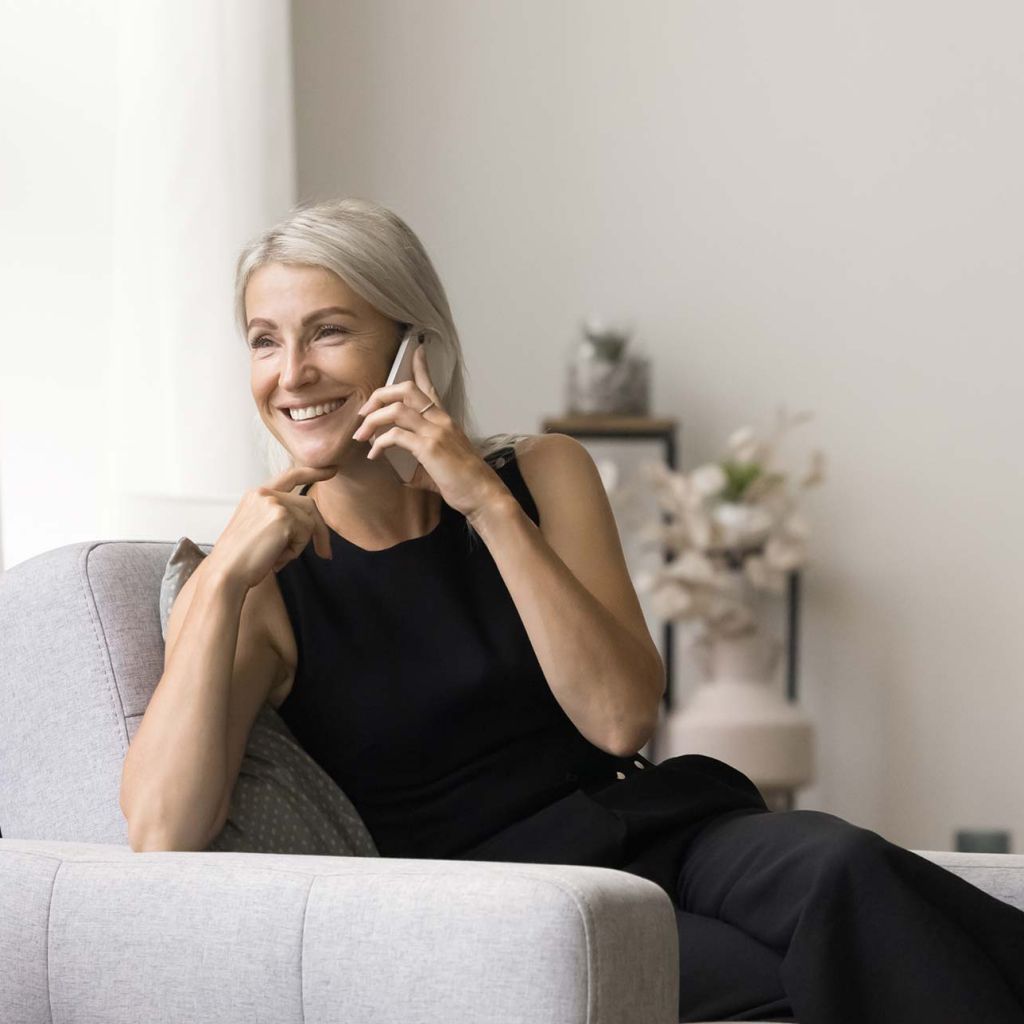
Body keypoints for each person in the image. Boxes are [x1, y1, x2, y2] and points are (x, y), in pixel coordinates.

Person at [137, 197, 1024, 1023]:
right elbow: (162, 832)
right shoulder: (259, 586)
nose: (292, 375)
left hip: (658, 824)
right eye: (264, 341)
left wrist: (483, 502)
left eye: (329, 333)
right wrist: (217, 581)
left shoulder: (541, 473)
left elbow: (618, 717)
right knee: (787, 976)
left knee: (847, 865)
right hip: (520, 903)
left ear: (414, 349)